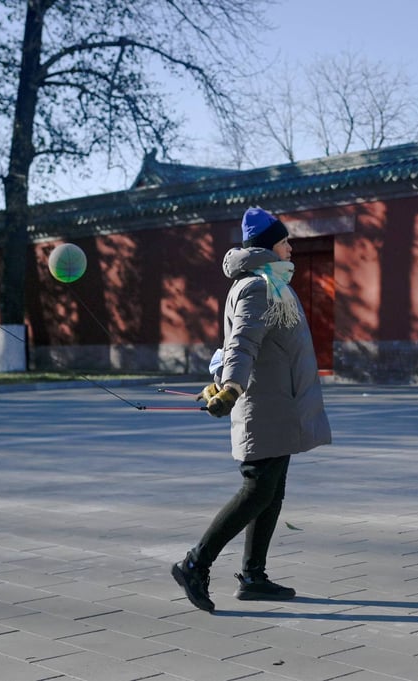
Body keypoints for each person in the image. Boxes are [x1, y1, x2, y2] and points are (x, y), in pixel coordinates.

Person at [171, 206, 332, 613]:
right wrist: (230, 387)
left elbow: (238, 343)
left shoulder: (272, 282)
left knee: (271, 492)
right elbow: (242, 342)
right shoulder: (259, 285)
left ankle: (253, 576)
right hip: (265, 406)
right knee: (257, 489)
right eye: (285, 242)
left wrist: (221, 373)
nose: (291, 247)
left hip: (281, 406)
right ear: (267, 247)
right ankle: (194, 564)